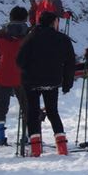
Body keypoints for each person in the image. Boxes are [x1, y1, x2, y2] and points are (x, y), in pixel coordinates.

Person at [15, 11, 76, 156]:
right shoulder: (62, 39)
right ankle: (62, 146)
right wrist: (67, 83)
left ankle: (35, 148)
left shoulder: (30, 38)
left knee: (32, 112)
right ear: (54, 22)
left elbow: (19, 60)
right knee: (53, 112)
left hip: (31, 81)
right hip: (52, 81)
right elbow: (70, 63)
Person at [0, 6, 29, 148]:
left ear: (10, 17)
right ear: (25, 18)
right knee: (27, 105)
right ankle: (28, 135)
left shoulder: (0, 33)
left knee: (0, 107)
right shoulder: (29, 33)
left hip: (3, 74)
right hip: (23, 74)